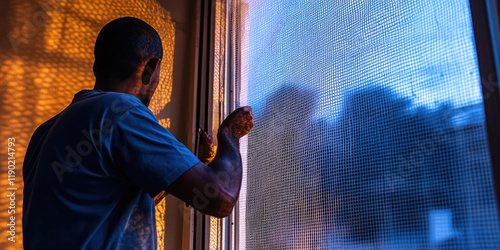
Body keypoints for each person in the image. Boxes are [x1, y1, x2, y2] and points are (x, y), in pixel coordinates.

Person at [22, 17, 253, 249]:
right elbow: (220, 198)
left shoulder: (44, 133)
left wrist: (190, 168)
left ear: (96, 66)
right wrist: (230, 135)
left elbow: (113, 208)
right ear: (151, 68)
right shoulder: (119, 111)